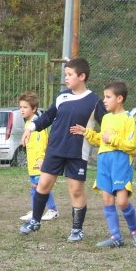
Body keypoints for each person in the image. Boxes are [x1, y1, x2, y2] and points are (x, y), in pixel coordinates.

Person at [19, 57, 107, 242]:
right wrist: (30, 128)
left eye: (69, 74)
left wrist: (107, 138)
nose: (66, 78)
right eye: (65, 74)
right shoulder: (62, 97)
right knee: (43, 184)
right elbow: (48, 117)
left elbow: (107, 125)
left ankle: (77, 230)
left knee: (75, 190)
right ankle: (35, 220)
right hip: (55, 149)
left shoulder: (94, 101)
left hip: (77, 152)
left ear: (82, 76)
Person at [71, 81, 136, 248]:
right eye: (104, 97)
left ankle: (135, 231)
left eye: (108, 97)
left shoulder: (128, 119)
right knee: (107, 199)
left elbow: (131, 145)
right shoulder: (105, 118)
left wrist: (112, 139)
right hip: (104, 161)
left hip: (120, 162)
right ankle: (115, 237)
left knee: (122, 202)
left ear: (119, 98)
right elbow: (100, 140)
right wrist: (87, 132)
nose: (104, 100)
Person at [18, 91, 59, 221]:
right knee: (34, 185)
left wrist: (41, 158)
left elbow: (42, 143)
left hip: (38, 161)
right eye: (20, 107)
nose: (22, 110)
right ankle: (36, 210)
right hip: (32, 162)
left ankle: (52, 210)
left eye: (25, 107)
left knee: (41, 185)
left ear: (34, 109)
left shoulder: (37, 124)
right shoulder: (28, 123)